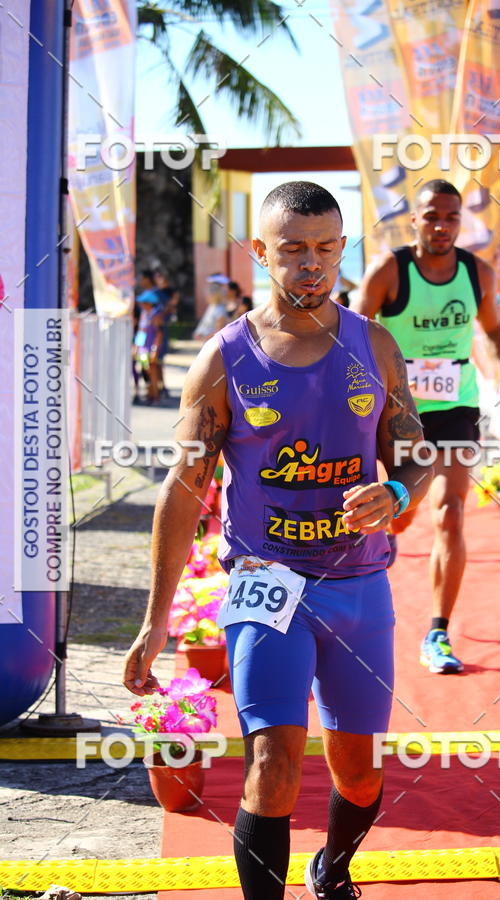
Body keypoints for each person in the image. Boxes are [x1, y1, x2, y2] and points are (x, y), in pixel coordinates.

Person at [123, 180, 433, 899]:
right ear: (261, 252)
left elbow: (418, 453)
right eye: (292, 250)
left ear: (342, 250)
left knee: (359, 769)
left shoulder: (375, 346)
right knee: (274, 763)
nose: (311, 265)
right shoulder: (223, 358)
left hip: (359, 585)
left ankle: (334, 868)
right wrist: (154, 621)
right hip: (267, 584)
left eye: (326, 248)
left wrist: (394, 492)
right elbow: (183, 490)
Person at [354, 178, 500, 674]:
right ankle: (391, 531)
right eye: (432, 216)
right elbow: (352, 330)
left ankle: (437, 633)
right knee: (401, 515)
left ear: (460, 222)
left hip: (456, 407)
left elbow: (492, 328)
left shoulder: (478, 273)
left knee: (450, 513)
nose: (442, 226)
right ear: (415, 220)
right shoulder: (390, 269)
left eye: (451, 217)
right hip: (398, 410)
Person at [153, 268, 179, 397]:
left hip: (162, 329)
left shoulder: (171, 292)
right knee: (155, 361)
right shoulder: (154, 293)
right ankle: (158, 385)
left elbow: (172, 307)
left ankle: (162, 386)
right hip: (154, 329)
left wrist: (164, 312)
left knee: (159, 359)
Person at [193, 273, 229, 343]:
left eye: (209, 293)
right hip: (207, 342)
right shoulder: (212, 306)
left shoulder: (220, 309)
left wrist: (205, 337)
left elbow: (219, 330)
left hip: (213, 344)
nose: (207, 296)